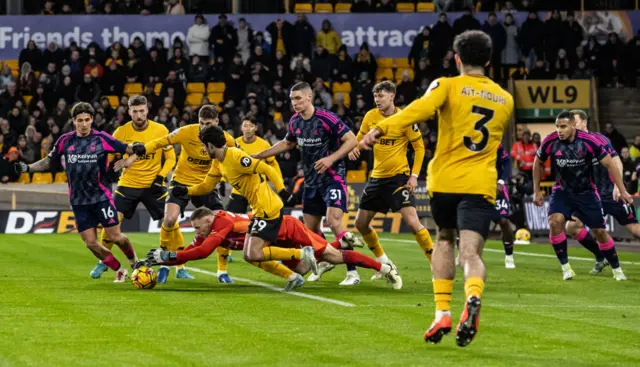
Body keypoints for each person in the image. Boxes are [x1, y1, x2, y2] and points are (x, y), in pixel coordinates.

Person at [359, 30, 514, 347]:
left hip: (446, 180)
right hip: (481, 181)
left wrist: (381, 128)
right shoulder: (505, 99)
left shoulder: (446, 85)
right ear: (488, 60)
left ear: (456, 58)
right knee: (470, 253)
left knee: (444, 239)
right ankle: (473, 295)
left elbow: (417, 110)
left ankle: (442, 311)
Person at [172, 125, 320, 279]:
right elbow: (206, 186)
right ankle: (302, 267)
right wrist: (186, 190)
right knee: (250, 255)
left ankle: (303, 253)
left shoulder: (235, 156)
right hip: (258, 209)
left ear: (210, 145)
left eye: (204, 145)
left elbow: (267, 169)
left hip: (267, 208)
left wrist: (282, 191)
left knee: (253, 253)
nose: (203, 149)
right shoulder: (218, 162)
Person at [252, 82, 360, 286]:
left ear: (309, 97)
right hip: (311, 182)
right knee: (311, 232)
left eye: (298, 98)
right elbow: (287, 143)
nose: (294, 103)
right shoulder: (294, 121)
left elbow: (352, 140)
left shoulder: (326, 118)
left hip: (332, 177)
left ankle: (352, 272)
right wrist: (260, 155)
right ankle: (325, 260)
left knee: (334, 220)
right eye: (292, 99)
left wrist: (331, 159)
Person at [16, 102, 138, 282]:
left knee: (116, 237)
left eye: (87, 120)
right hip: (79, 201)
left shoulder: (102, 138)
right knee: (90, 243)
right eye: (80, 120)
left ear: (92, 120)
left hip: (101, 197)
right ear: (74, 121)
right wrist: (28, 168)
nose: (83, 124)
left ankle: (135, 262)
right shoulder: (65, 140)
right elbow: (48, 162)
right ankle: (119, 269)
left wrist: (136, 151)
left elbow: (128, 148)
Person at [144, 208, 402, 291]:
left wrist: (167, 256)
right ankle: (338, 243)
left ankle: (385, 267)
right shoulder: (210, 230)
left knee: (331, 257)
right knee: (304, 266)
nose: (197, 232)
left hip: (285, 229)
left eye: (199, 227)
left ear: (210, 220)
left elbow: (201, 253)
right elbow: (192, 250)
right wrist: (165, 259)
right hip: (274, 243)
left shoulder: (221, 222)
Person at [130, 105, 236, 283]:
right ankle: (164, 263)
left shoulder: (224, 138)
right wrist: (143, 149)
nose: (204, 127)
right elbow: (161, 141)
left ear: (217, 122)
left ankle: (222, 272)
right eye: (201, 123)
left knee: (222, 221)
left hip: (206, 184)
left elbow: (238, 156)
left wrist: (227, 179)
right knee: (169, 220)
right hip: (181, 182)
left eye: (208, 124)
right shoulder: (187, 132)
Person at [347, 81, 433, 283]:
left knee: (412, 222)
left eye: (381, 96)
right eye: (375, 96)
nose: (377, 100)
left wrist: (413, 176)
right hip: (377, 178)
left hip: (398, 178)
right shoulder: (370, 116)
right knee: (360, 224)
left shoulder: (405, 118)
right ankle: (385, 263)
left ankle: (434, 262)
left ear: (392, 96)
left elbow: (419, 148)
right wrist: (354, 147)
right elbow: (359, 138)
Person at [533, 111, 629, 282]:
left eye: (563, 127)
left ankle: (617, 269)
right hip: (562, 191)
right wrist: (536, 190)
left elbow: (610, 164)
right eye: (557, 126)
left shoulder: (589, 141)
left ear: (573, 126)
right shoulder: (550, 141)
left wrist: (622, 190)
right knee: (555, 221)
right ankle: (566, 268)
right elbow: (537, 161)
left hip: (586, 193)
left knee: (599, 231)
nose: (559, 130)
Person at [90, 96, 176, 279]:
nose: (139, 114)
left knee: (171, 221)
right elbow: (107, 155)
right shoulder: (121, 132)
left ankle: (172, 265)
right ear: (129, 112)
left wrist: (161, 177)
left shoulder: (160, 130)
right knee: (111, 222)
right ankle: (103, 261)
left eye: (142, 110)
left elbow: (171, 158)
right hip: (127, 184)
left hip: (153, 184)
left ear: (147, 110)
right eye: (135, 111)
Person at [564, 110, 638, 275]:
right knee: (572, 227)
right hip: (591, 196)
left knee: (634, 229)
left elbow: (617, 161)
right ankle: (601, 256)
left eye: (574, 121)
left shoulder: (600, 139)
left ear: (584, 122)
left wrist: (618, 186)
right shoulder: (571, 146)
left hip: (610, 193)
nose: (572, 125)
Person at [228, 116, 281, 214]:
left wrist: (280, 185)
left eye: (251, 126)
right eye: (245, 126)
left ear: (256, 128)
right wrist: (223, 180)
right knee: (232, 219)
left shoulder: (264, 144)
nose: (248, 129)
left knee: (266, 219)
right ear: (241, 128)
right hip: (239, 189)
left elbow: (273, 163)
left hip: (259, 189)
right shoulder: (234, 144)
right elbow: (227, 163)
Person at [494, 144, 516, 268]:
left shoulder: (493, 141)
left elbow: (507, 162)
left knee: (503, 220)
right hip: (475, 186)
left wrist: (501, 181)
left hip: (495, 186)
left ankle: (509, 256)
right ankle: (462, 254)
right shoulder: (466, 140)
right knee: (466, 222)